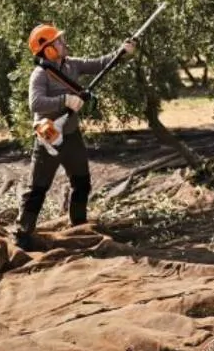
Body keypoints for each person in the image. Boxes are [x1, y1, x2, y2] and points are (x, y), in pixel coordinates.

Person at [13, 23, 135, 249]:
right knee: (37, 189)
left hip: (71, 135)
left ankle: (78, 224)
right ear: (48, 50)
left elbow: (101, 63)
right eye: (58, 41)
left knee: (81, 182)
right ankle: (22, 232)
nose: (63, 43)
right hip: (48, 137)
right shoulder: (40, 75)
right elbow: (35, 103)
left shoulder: (72, 65)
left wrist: (122, 53)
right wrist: (65, 100)